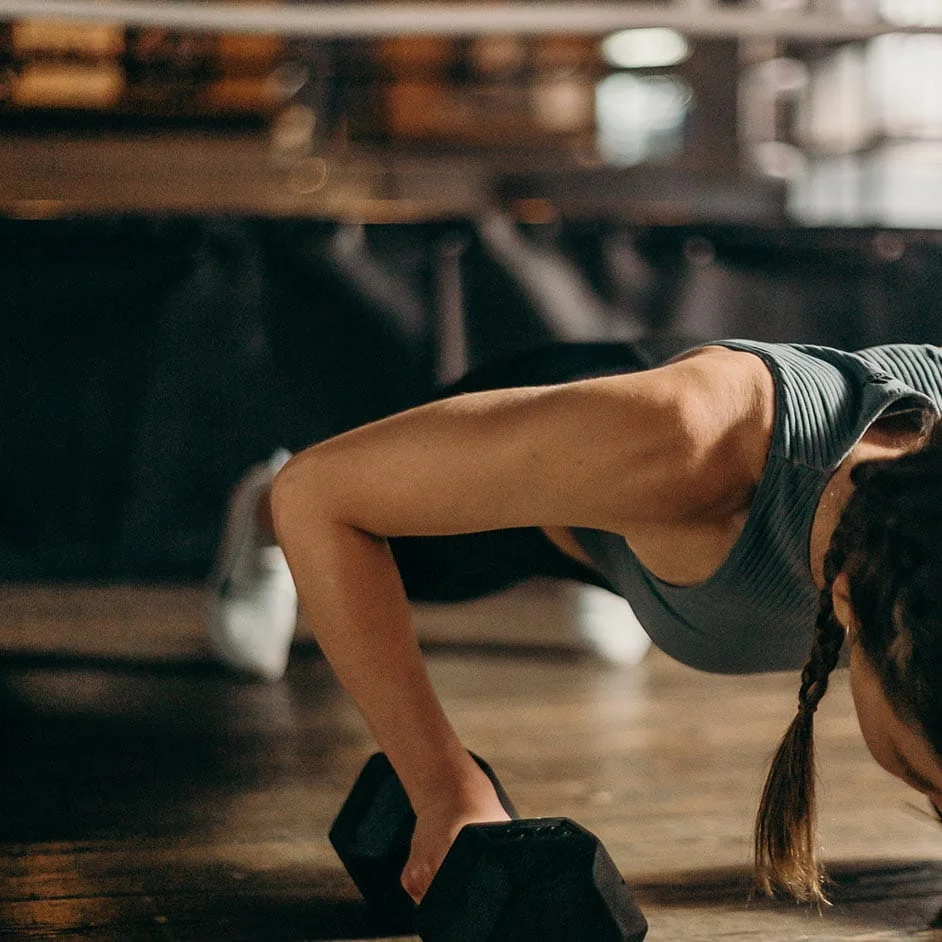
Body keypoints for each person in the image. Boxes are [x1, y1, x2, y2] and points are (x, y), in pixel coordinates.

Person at [220, 338, 942, 906]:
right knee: (344, 518)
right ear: (849, 605)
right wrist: (443, 785)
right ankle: (254, 512)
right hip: (605, 430)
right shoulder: (693, 447)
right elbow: (320, 495)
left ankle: (630, 566)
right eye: (931, 787)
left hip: (658, 493)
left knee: (649, 519)